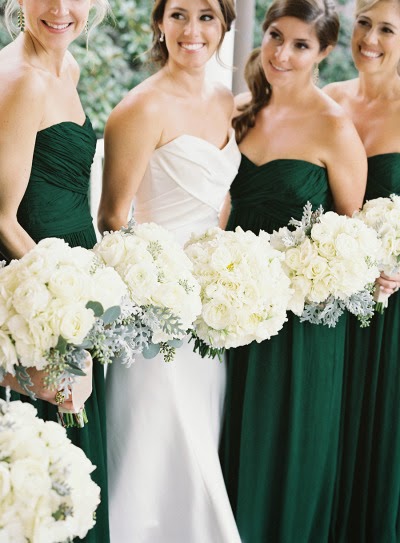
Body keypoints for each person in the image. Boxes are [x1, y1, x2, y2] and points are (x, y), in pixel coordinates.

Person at [218, 1, 368, 542]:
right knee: (235, 430)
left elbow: (354, 232)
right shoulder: (239, 112)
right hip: (234, 305)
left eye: (301, 45)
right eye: (275, 36)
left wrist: (315, 276)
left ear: (323, 52)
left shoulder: (334, 127)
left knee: (291, 442)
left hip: (303, 319)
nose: (281, 54)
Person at [97, 0, 241, 541]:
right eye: (178, 14)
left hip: (214, 308)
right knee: (154, 447)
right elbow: (113, 219)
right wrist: (159, 289)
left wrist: (223, 271)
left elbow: (220, 197)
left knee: (198, 435)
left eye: (207, 16)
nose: (191, 30)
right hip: (155, 308)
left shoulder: (226, 101)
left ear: (224, 26)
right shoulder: (140, 107)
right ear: (159, 22)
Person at [0, 0, 110, 541]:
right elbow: (2, 219)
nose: (61, 9)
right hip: (39, 295)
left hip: (74, 277)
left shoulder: (69, 66)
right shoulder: (23, 80)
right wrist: (64, 314)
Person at [323, 1, 400, 541]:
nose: (370, 39)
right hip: (331, 302)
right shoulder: (330, 100)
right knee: (333, 427)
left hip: (394, 307)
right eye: (364, 24)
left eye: (387, 29)